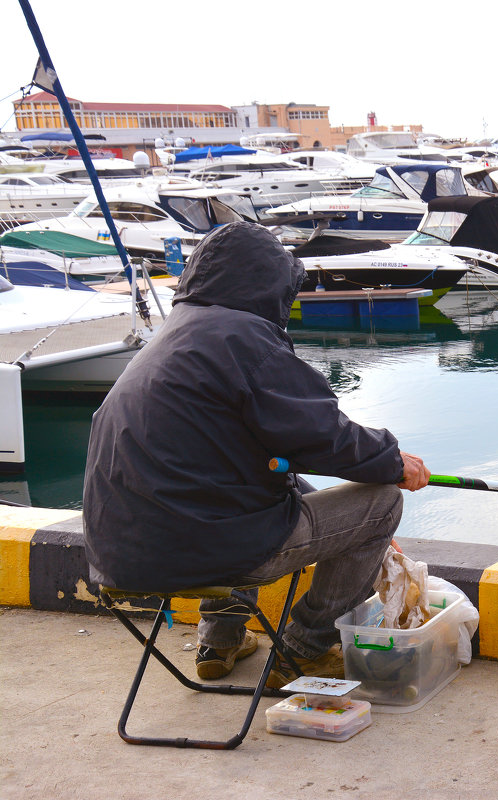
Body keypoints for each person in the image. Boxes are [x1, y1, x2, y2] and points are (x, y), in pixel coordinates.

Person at [83, 221, 430, 688]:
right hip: (208, 547)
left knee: (236, 502)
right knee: (381, 503)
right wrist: (392, 462)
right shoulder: (244, 339)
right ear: (270, 282)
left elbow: (254, 457)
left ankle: (220, 641)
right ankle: (302, 651)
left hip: (120, 557)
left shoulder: (176, 334)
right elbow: (322, 435)